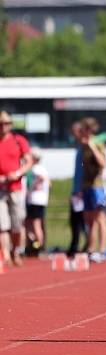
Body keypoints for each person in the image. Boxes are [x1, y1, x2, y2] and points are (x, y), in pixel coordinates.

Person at [0, 110, 33, 267]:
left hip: (16, 187)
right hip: (0, 189)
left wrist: (18, 173)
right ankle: (5, 254)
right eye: (0, 124)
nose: (3, 127)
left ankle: (16, 250)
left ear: (10, 125)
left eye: (6, 124)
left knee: (17, 223)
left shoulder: (18, 141)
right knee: (2, 224)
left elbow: (29, 161)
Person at [79, 118, 106, 264]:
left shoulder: (98, 144)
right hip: (86, 186)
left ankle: (102, 250)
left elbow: (103, 163)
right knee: (89, 220)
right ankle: (90, 249)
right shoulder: (83, 146)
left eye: (84, 129)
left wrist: (92, 147)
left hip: (98, 187)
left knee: (100, 219)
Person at [67, 121, 88, 258]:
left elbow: (85, 170)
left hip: (82, 190)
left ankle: (84, 245)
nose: (72, 135)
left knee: (81, 220)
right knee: (75, 220)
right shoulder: (79, 147)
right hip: (77, 189)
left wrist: (80, 189)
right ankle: (75, 244)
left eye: (74, 132)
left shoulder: (85, 147)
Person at [24, 149, 49, 255]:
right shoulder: (42, 169)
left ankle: (40, 246)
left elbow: (42, 179)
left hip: (35, 200)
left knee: (35, 224)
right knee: (30, 224)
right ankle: (34, 245)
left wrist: (32, 185)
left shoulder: (35, 169)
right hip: (38, 200)